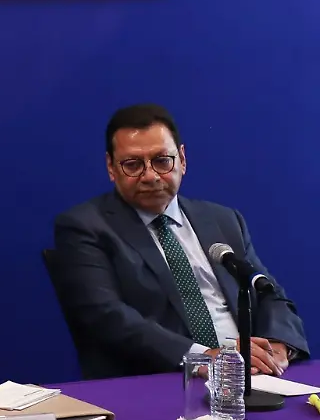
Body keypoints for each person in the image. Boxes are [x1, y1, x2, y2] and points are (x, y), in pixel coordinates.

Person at [51, 103, 309, 379]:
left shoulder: (222, 220)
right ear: (111, 168)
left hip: (253, 374)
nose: (150, 176)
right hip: (163, 379)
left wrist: (277, 346)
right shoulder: (85, 227)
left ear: (182, 160)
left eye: (162, 160)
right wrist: (204, 357)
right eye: (133, 165)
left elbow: (267, 292)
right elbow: (105, 316)